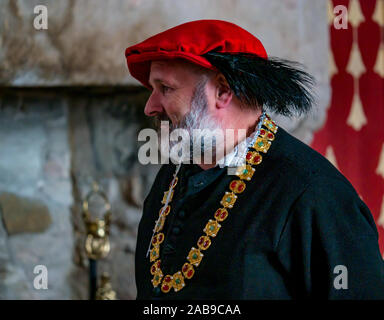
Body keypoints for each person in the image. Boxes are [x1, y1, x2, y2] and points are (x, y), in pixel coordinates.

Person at [125, 20, 384, 299]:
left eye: (165, 88)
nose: (150, 107)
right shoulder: (173, 175)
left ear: (223, 91)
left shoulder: (314, 192)